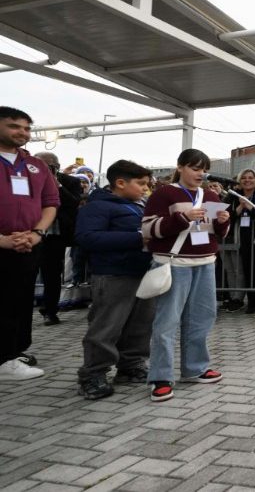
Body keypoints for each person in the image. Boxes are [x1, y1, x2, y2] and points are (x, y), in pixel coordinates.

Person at [142, 149, 230, 402]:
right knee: (167, 321)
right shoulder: (163, 193)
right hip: (174, 263)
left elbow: (217, 233)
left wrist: (223, 221)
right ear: (180, 167)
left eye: (204, 169)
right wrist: (182, 218)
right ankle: (161, 377)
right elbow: (148, 229)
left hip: (206, 263)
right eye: (195, 168)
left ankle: (195, 368)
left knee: (202, 318)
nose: (200, 174)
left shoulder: (210, 194)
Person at [74, 160, 155, 399]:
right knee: (107, 325)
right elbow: (88, 238)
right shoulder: (97, 207)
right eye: (141, 183)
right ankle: (93, 374)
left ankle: (131, 365)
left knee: (139, 325)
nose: (145, 188)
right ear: (120, 183)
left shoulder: (138, 206)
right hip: (113, 274)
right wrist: (138, 238)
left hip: (142, 273)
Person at [0, 107, 59, 381]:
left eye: (26, 128)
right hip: (3, 242)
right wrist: (2, 240)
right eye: (14, 126)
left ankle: (11, 354)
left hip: (28, 243)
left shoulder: (36, 165)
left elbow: (50, 203)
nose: (22, 132)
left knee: (20, 300)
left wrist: (36, 234)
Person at [34, 151, 83, 326]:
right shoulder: (28, 178)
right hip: (29, 233)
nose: (41, 168)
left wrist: (58, 185)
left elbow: (74, 203)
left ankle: (50, 311)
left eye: (47, 166)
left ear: (57, 166)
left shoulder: (71, 181)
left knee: (52, 275)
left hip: (54, 236)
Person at [225, 169, 255, 313]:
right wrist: (240, 206)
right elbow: (228, 215)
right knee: (247, 268)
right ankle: (252, 301)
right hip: (242, 236)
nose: (247, 180)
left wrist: (250, 207)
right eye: (244, 178)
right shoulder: (235, 194)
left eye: (250, 177)